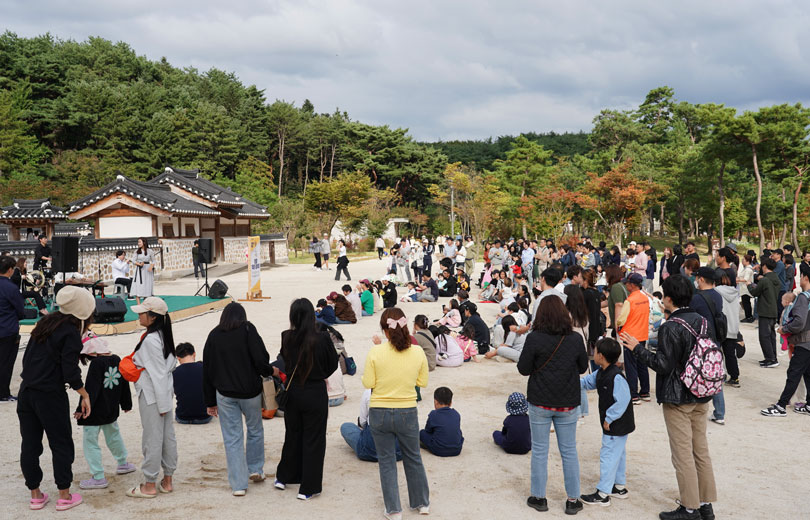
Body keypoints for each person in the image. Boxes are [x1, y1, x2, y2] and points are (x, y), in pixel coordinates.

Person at [621, 275, 717, 520]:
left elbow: (663, 365)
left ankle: (689, 508)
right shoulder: (701, 320)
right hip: (701, 391)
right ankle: (705, 504)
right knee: (700, 451)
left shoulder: (670, 326)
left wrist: (637, 348)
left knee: (682, 454)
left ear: (669, 298)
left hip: (678, 396)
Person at [16, 286, 94, 511]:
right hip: (50, 394)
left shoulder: (45, 323)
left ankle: (36, 494)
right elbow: (70, 371)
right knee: (61, 443)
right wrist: (84, 394)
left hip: (27, 390)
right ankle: (64, 495)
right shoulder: (70, 331)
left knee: (30, 444)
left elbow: (28, 359)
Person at [517, 296, 588, 516]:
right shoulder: (575, 339)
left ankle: (539, 497)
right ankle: (573, 499)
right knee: (568, 451)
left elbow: (523, 369)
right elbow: (583, 367)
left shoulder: (534, 338)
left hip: (540, 400)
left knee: (540, 450)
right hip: (567, 402)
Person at [363, 307, 430, 518]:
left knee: (386, 461)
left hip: (380, 411)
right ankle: (421, 503)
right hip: (407, 410)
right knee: (413, 457)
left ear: (385, 330)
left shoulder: (376, 351)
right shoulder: (417, 352)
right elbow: (423, 382)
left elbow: (368, 382)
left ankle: (393, 509)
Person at [203, 302, 275, 495]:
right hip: (250, 391)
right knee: (255, 430)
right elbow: (261, 359)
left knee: (232, 438)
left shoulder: (214, 335)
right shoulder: (248, 330)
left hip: (225, 393)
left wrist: (210, 401)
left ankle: (238, 485)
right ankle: (255, 469)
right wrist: (269, 371)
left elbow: (207, 370)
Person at [275, 299, 339, 500]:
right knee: (314, 438)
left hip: (294, 391)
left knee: (293, 433)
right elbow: (332, 365)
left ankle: (285, 476)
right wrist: (318, 373)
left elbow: (284, 361)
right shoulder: (322, 338)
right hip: (314, 390)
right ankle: (308, 486)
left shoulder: (287, 337)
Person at [127, 297, 177, 499]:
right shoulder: (163, 336)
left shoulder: (150, 340)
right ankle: (168, 479)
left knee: (152, 438)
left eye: (142, 312)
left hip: (153, 395)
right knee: (167, 437)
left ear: (153, 317)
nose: (139, 315)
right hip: (163, 393)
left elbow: (156, 375)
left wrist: (162, 404)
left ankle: (149, 484)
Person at [75, 326, 136, 490]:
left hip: (93, 412)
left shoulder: (96, 365)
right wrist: (126, 403)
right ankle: (123, 463)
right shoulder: (117, 359)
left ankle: (98, 476)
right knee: (113, 435)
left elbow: (90, 390)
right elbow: (124, 384)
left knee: (90, 442)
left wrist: (81, 410)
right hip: (111, 409)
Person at [578, 338, 634, 507]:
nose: (593, 354)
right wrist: (568, 380)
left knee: (608, 455)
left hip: (616, 423)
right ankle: (619, 486)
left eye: (595, 352)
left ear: (601, 356)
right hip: (618, 424)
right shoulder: (602, 371)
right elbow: (587, 382)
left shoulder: (615, 376)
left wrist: (609, 418)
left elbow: (623, 400)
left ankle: (603, 493)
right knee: (618, 453)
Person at [761, 270, 810, 417]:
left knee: (794, 373)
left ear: (805, 277)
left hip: (804, 341)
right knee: (807, 373)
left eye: (800, 276)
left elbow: (799, 321)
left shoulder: (803, 297)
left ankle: (781, 406)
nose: (799, 279)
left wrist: (785, 329)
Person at [341, 389, 404, 462]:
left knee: (346, 426)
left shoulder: (369, 392)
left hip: (369, 451)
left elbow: (362, 422)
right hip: (397, 452)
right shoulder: (401, 391)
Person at [615, 274, 650, 404]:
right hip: (642, 334)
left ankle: (633, 394)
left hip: (630, 336)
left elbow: (622, 319)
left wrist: (618, 324)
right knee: (642, 363)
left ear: (632, 285)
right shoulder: (645, 298)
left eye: (627, 283)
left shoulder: (629, 300)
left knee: (631, 365)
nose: (626, 285)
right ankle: (645, 392)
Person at [748, 257, 781, 368]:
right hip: (773, 310)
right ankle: (772, 357)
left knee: (764, 336)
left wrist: (749, 285)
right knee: (771, 335)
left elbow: (754, 292)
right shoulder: (775, 278)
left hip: (765, 311)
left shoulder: (765, 280)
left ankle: (770, 359)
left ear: (765, 266)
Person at [0, 256, 25, 401]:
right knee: (6, 363)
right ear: (10, 270)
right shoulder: (11, 287)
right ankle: (3, 393)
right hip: (8, 329)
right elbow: (20, 310)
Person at [419, 387, 463, 457]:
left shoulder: (433, 414)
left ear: (435, 402)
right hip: (457, 449)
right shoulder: (456, 414)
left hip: (439, 450)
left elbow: (428, 430)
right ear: (451, 403)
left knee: (421, 433)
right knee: (458, 431)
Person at [173, 343, 210, 425]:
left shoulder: (174, 372)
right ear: (194, 354)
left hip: (182, 417)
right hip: (204, 416)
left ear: (178, 358)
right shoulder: (204, 368)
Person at [131, 237, 155, 305]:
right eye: (138, 242)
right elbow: (133, 260)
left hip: (147, 270)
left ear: (144, 242)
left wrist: (151, 266)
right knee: (139, 285)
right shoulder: (136, 251)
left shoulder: (150, 251)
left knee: (147, 286)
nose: (138, 243)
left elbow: (153, 260)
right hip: (139, 270)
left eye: (139, 242)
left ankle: (145, 304)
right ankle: (139, 305)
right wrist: (139, 264)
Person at [737, 254, 755, 323]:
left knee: (746, 303)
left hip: (746, 289)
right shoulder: (746, 268)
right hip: (744, 289)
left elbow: (745, 279)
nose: (742, 261)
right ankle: (748, 316)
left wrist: (737, 280)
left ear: (747, 261)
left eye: (743, 259)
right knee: (746, 303)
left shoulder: (748, 269)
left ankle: (748, 317)